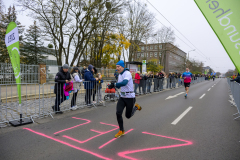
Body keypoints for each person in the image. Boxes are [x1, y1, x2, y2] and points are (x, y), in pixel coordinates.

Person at [108, 60, 142, 138]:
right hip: (122, 97)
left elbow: (124, 83)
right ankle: (121, 130)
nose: (117, 68)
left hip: (130, 97)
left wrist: (115, 84)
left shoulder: (127, 73)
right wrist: (112, 85)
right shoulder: (120, 75)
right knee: (118, 113)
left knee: (128, 116)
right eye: (116, 67)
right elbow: (119, 86)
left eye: (118, 67)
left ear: (122, 67)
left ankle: (136, 107)